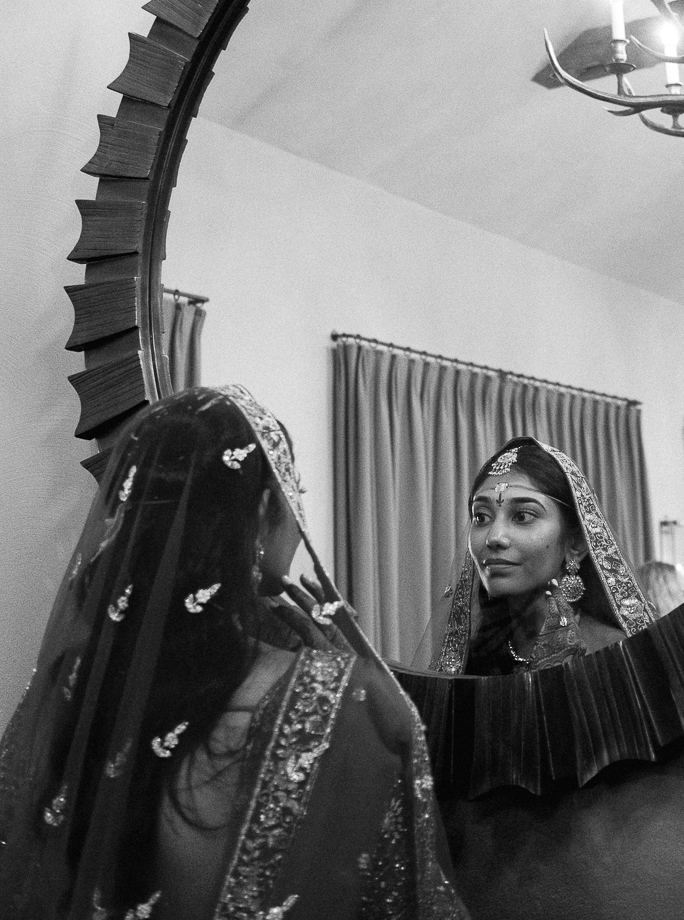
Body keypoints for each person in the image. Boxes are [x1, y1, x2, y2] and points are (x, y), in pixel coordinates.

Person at [0, 384, 468, 920]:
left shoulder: (70, 690)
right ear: (268, 506)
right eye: (299, 497)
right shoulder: (337, 701)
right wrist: (376, 695)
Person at [419, 436, 654, 675]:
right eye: (481, 517)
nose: (494, 537)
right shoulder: (472, 660)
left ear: (575, 543)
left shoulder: (616, 655)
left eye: (522, 516)